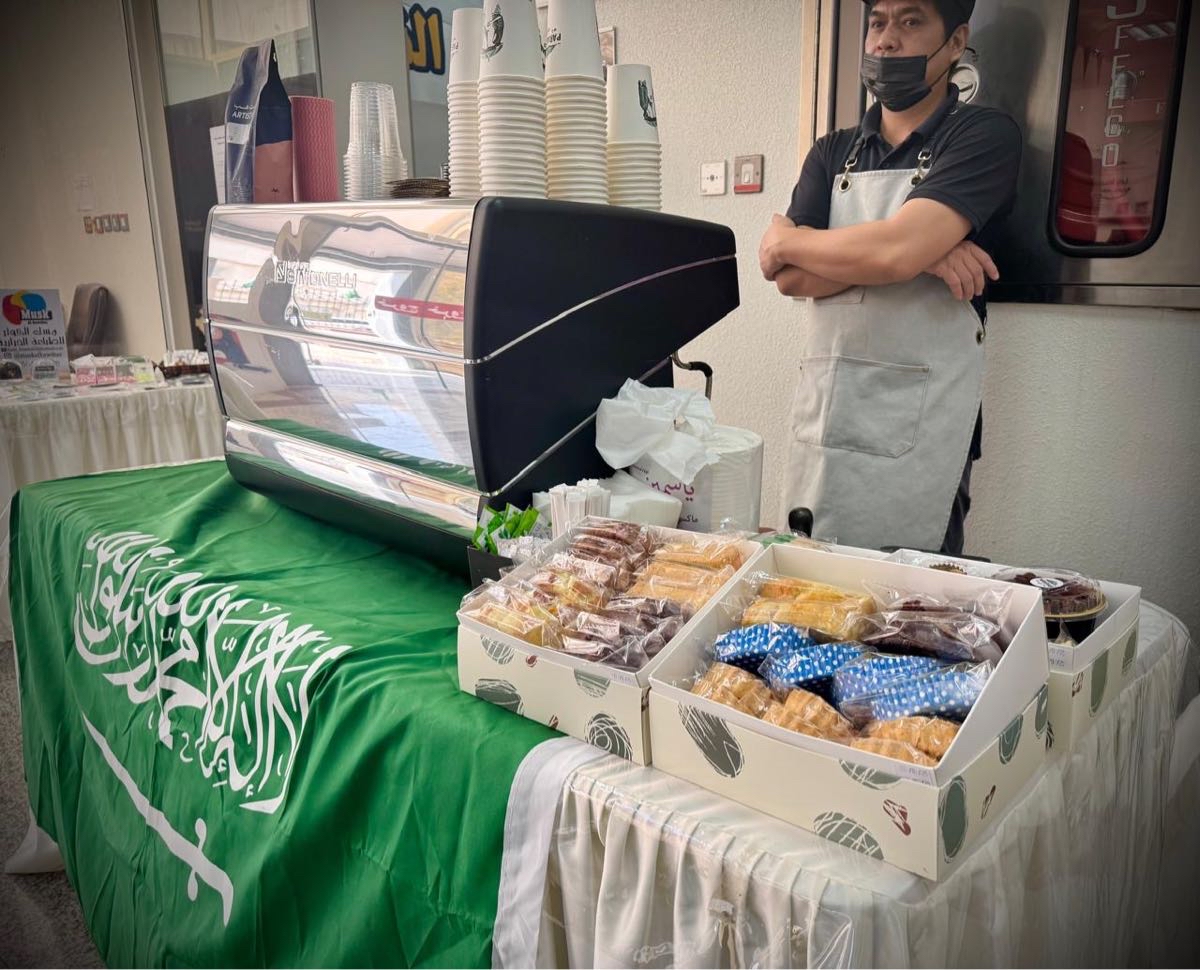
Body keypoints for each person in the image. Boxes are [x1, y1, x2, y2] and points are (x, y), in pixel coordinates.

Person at [758, 0, 1021, 555]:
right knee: (810, 580)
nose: (886, 40)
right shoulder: (832, 151)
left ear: (956, 42)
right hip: (831, 409)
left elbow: (881, 253)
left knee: (908, 597)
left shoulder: (983, 135)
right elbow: (790, 279)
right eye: (877, 22)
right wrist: (922, 254)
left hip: (925, 421)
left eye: (910, 21)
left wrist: (791, 240)